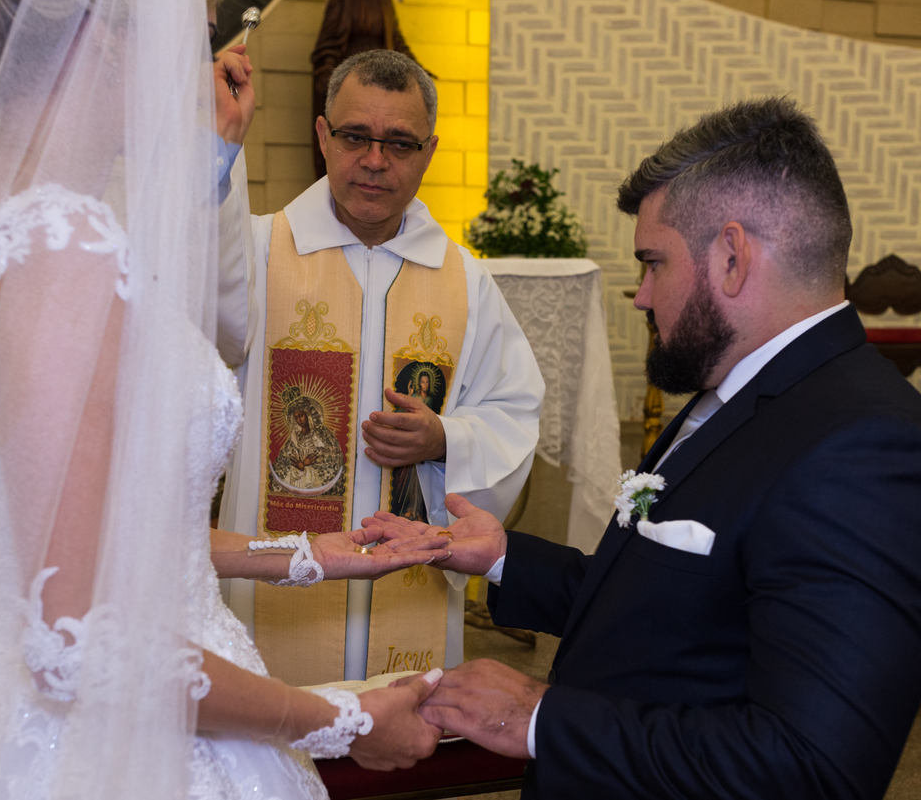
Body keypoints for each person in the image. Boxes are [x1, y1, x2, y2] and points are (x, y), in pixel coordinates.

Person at [0, 0, 453, 798]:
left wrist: (304, 557)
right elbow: (78, 642)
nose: (195, 66)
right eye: (187, 34)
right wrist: (337, 719)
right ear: (108, 39)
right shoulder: (57, 242)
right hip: (92, 747)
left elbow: (51, 523)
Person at [367, 97, 921, 799]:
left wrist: (539, 718)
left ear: (730, 256)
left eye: (653, 263)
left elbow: (812, 767)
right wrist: (503, 556)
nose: (640, 295)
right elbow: (676, 607)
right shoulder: (743, 387)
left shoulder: (863, 445)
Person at [217, 48, 544, 681]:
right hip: (274, 588)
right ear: (322, 135)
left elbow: (514, 411)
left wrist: (444, 437)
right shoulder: (254, 254)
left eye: (399, 143)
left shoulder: (465, 280)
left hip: (408, 602)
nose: (374, 160)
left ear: (429, 150)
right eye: (355, 137)